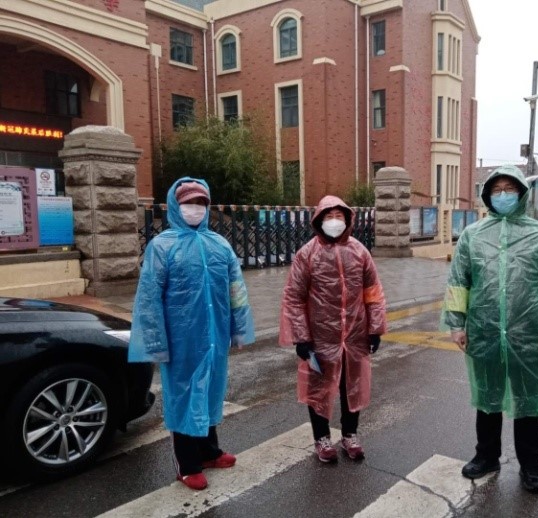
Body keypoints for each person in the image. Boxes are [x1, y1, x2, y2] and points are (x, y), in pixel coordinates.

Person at [441, 165, 538, 494]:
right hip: (484, 331)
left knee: (529, 402)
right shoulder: (473, 235)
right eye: (497, 190)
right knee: (487, 398)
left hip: (529, 334)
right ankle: (486, 456)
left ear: (521, 194)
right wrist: (456, 323)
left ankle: (531, 466)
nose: (503, 195)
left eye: (509, 189)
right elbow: (459, 281)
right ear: (488, 196)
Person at [129, 177, 255, 491]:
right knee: (184, 397)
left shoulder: (220, 245)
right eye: (188, 203)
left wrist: (239, 328)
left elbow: (236, 290)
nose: (195, 208)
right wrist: (155, 341)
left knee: (210, 392)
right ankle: (187, 465)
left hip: (215, 337)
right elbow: (149, 298)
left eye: (200, 203)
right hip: (180, 340)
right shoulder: (162, 246)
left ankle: (209, 452)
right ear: (176, 205)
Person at [279, 195, 387, 463]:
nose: (335, 221)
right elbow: (294, 297)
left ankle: (350, 434)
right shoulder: (307, 254)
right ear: (319, 220)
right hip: (320, 336)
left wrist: (375, 328)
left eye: (339, 216)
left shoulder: (360, 251)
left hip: (355, 335)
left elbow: (373, 293)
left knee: (353, 385)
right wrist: (301, 337)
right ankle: (322, 438)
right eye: (329, 216)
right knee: (319, 388)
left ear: (348, 219)